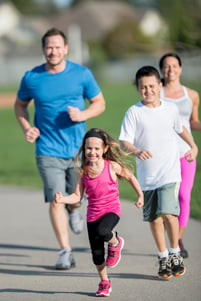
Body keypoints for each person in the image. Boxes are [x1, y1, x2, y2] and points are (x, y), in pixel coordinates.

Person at [14, 28, 106, 270]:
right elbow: (20, 105)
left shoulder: (82, 74)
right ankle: (65, 251)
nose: (53, 51)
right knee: (56, 199)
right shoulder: (31, 77)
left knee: (74, 197)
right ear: (43, 49)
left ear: (66, 48)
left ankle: (75, 209)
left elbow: (100, 103)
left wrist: (83, 114)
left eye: (57, 47)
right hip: (47, 149)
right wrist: (26, 128)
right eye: (48, 47)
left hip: (78, 150)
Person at [119, 66, 198, 280]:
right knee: (154, 219)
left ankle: (175, 253)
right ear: (137, 89)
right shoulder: (134, 112)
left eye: (152, 86)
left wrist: (193, 145)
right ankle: (163, 256)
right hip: (147, 177)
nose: (148, 91)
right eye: (143, 87)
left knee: (169, 214)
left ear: (159, 86)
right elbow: (124, 141)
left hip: (169, 173)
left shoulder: (170, 108)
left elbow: (180, 127)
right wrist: (136, 150)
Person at [55, 128, 144, 297]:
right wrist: (63, 200)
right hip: (92, 215)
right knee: (97, 254)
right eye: (89, 148)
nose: (92, 152)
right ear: (84, 149)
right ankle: (104, 282)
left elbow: (130, 176)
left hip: (111, 210)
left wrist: (140, 195)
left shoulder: (112, 166)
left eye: (97, 148)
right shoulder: (83, 171)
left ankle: (116, 243)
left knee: (103, 231)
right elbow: (77, 196)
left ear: (105, 149)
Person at [159, 52, 201, 258]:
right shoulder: (156, 93)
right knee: (168, 199)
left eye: (174, 66)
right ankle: (171, 239)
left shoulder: (191, 95)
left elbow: (193, 121)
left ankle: (177, 240)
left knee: (184, 196)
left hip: (186, 152)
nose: (171, 70)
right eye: (166, 66)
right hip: (164, 154)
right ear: (161, 70)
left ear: (180, 69)